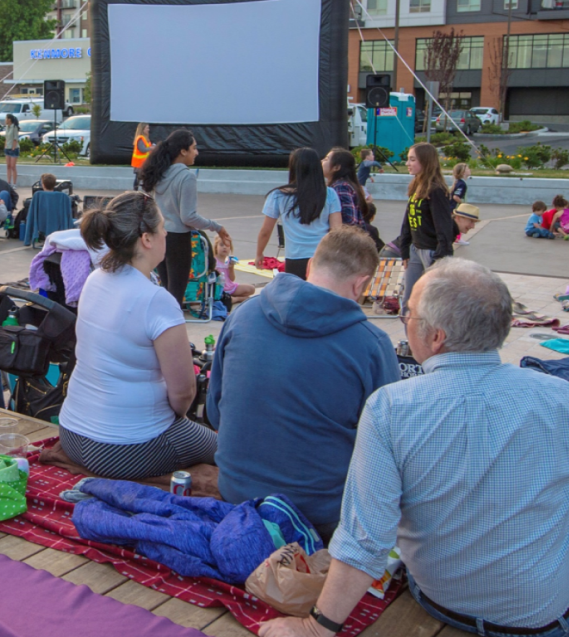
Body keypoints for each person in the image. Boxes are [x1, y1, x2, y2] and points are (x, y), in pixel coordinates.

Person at [257, 259, 569, 637]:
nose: (405, 320)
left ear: (436, 336)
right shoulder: (560, 395)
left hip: (438, 598)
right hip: (550, 622)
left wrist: (318, 628)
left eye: (409, 313)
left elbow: (363, 540)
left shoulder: (390, 407)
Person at [207, 228, 397, 538]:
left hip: (236, 492)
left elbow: (215, 413)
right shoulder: (371, 345)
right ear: (361, 283)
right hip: (316, 512)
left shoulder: (242, 315)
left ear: (310, 266)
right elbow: (385, 450)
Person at [56, 193, 216, 477]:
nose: (166, 232)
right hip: (123, 449)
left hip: (71, 433)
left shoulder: (95, 279)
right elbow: (184, 393)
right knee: (230, 449)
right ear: (146, 238)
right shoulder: (157, 301)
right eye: (163, 226)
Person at [137, 130, 229, 306]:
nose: (197, 152)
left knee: (165, 291)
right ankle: (170, 330)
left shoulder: (159, 173)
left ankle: (160, 330)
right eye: (194, 148)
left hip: (158, 236)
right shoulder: (186, 176)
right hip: (178, 240)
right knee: (175, 297)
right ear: (183, 151)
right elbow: (188, 217)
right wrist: (215, 226)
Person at [258, 146, 344, 283]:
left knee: (297, 298)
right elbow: (337, 231)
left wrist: (259, 254)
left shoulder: (278, 195)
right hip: (323, 256)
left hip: (295, 258)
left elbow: (265, 231)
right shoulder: (330, 194)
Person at [391, 141, 454, 316]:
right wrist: (405, 250)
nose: (407, 163)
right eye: (408, 159)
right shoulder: (416, 186)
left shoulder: (436, 190)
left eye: (412, 160)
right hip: (415, 250)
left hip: (431, 251)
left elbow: (444, 226)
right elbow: (408, 221)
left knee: (432, 301)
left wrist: (441, 257)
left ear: (425, 161)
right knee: (409, 300)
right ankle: (411, 341)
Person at [323, 147, 375, 235]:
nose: (322, 161)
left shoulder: (341, 187)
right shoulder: (341, 185)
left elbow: (348, 222)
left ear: (336, 167)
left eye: (326, 159)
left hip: (345, 243)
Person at [2, 113, 21, 185]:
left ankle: (14, 183)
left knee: (13, 167)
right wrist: (5, 146)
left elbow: (15, 138)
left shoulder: (14, 127)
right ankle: (8, 182)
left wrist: (13, 147)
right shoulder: (7, 127)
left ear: (9, 119)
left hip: (14, 149)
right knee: (8, 166)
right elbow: (6, 138)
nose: (5, 120)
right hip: (7, 148)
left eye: (6, 119)